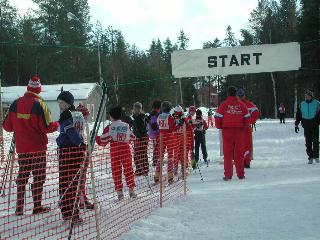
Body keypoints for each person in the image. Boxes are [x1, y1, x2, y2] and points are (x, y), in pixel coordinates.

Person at [3, 76, 59, 216]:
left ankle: (19, 208)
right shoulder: (40, 105)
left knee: (22, 176)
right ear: (39, 89)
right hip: (38, 148)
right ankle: (37, 206)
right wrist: (57, 124)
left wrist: (19, 126)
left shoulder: (15, 104)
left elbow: (7, 126)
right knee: (39, 176)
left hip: (22, 149)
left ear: (28, 88)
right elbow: (46, 127)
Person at [56, 91, 86, 223]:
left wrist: (79, 142)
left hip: (68, 152)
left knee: (67, 183)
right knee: (73, 183)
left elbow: (71, 131)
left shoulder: (67, 116)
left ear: (68, 103)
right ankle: (70, 212)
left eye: (61, 103)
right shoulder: (76, 114)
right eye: (58, 103)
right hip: (75, 151)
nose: (59, 105)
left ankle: (70, 213)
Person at [96, 106, 137, 200]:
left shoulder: (109, 127)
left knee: (116, 171)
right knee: (128, 169)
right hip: (125, 149)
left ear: (111, 116)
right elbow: (132, 137)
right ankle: (131, 190)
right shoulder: (126, 125)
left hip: (115, 150)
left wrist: (96, 138)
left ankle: (119, 193)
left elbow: (103, 140)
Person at [214, 86, 250, 181]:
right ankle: (240, 174)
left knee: (228, 154)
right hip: (239, 132)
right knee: (239, 153)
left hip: (227, 131)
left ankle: (228, 175)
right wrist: (244, 127)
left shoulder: (223, 105)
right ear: (236, 93)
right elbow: (247, 118)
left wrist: (220, 126)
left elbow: (217, 118)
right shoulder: (242, 105)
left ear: (228, 94)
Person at [75, 103, 94, 209]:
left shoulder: (81, 125)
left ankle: (80, 199)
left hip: (82, 150)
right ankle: (82, 201)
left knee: (81, 177)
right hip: (78, 151)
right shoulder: (78, 124)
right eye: (86, 116)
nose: (87, 118)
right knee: (80, 177)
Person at [154, 101, 178, 184]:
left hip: (161, 136)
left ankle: (157, 176)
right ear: (169, 108)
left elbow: (158, 125)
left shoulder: (159, 116)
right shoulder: (169, 117)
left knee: (160, 156)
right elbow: (173, 129)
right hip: (169, 137)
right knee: (170, 156)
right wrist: (178, 125)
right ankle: (170, 177)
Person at [236, 88, 260, 168]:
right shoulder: (249, 104)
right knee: (247, 145)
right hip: (245, 128)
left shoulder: (235, 105)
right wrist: (250, 121)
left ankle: (243, 161)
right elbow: (256, 112)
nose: (240, 97)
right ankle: (246, 161)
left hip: (239, 128)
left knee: (240, 145)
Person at [295, 90, 320, 164]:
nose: (306, 97)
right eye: (305, 96)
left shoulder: (317, 103)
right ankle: (310, 157)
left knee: (315, 141)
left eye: (308, 96)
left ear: (311, 96)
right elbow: (298, 115)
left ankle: (316, 156)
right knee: (308, 141)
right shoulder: (302, 104)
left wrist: (318, 121)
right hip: (306, 124)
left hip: (314, 123)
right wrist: (296, 124)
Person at [131, 102, 149, 176]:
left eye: (138, 108)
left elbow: (144, 127)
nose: (136, 110)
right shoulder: (133, 117)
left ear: (140, 109)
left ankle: (144, 169)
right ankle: (139, 169)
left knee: (142, 153)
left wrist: (140, 132)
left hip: (143, 137)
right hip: (137, 138)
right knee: (137, 154)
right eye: (135, 108)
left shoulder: (143, 117)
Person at [147, 100, 161, 167]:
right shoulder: (156, 113)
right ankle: (155, 161)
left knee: (156, 147)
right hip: (156, 133)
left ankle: (155, 160)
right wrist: (158, 130)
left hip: (152, 132)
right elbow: (154, 124)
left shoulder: (152, 113)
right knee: (157, 147)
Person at [172, 105, 185, 175]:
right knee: (176, 153)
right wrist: (179, 124)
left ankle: (183, 167)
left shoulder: (183, 117)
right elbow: (173, 127)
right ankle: (175, 168)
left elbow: (187, 125)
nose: (179, 114)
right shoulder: (173, 117)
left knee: (182, 152)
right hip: (175, 136)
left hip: (182, 135)